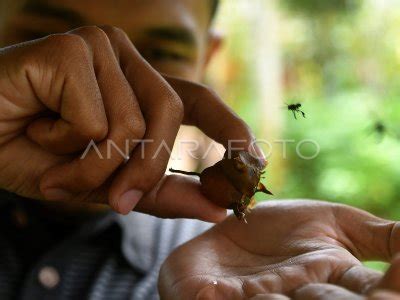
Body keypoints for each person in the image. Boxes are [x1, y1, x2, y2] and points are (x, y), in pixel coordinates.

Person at [0, 0, 398, 299]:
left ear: (207, 58)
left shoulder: (215, 266)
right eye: (46, 43)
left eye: (160, 54)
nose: (105, 91)